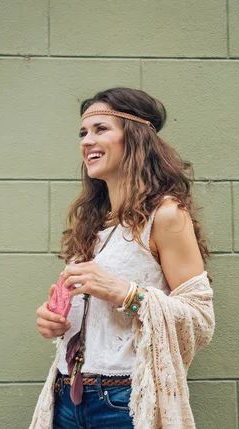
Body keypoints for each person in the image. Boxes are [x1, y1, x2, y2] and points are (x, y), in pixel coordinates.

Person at [30, 88, 215, 429]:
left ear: (135, 138)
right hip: (66, 397)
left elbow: (200, 320)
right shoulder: (93, 224)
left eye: (101, 129)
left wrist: (125, 293)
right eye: (83, 133)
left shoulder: (167, 215)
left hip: (122, 403)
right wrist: (54, 321)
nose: (87, 141)